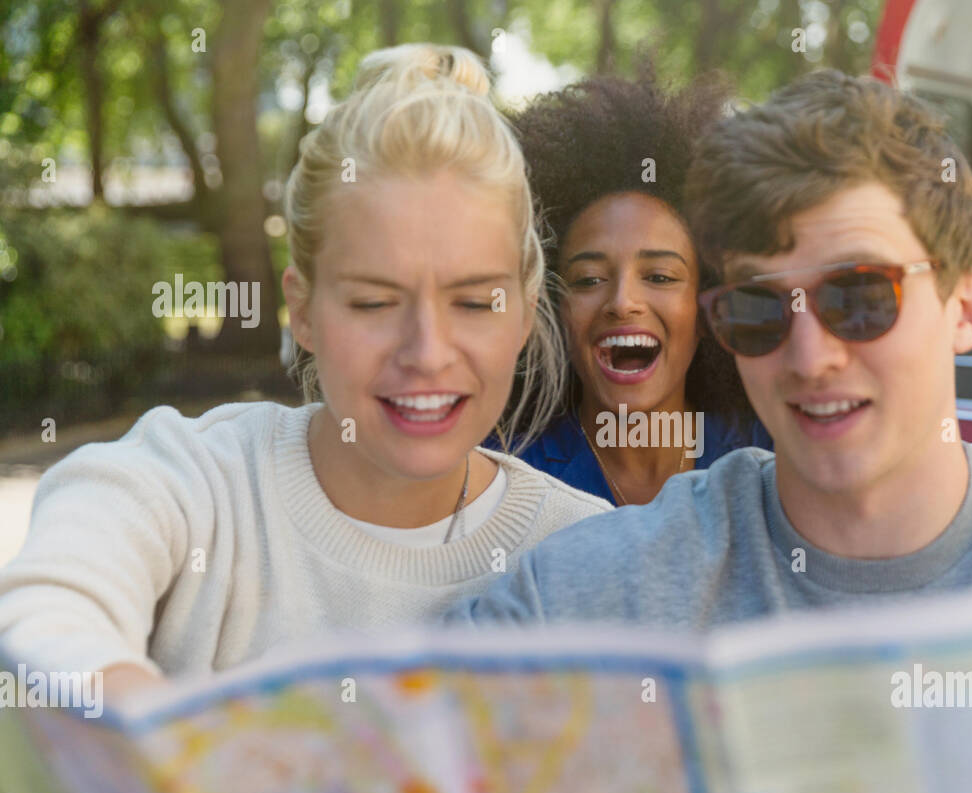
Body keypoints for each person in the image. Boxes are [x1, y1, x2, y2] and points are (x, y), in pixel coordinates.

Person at [444, 71, 972, 632]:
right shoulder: (600, 586)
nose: (810, 355)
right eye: (757, 309)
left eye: (859, 298)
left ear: (967, 307)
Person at [0, 44, 608, 696]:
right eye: (374, 302)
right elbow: (46, 607)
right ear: (303, 312)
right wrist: (160, 742)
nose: (428, 351)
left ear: (522, 311)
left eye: (471, 302)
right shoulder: (198, 485)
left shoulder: (587, 552)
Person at [496, 72, 770, 506]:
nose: (622, 302)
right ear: (550, 307)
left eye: (660, 277)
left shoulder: (772, 459)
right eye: (587, 280)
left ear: (706, 308)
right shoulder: (505, 477)